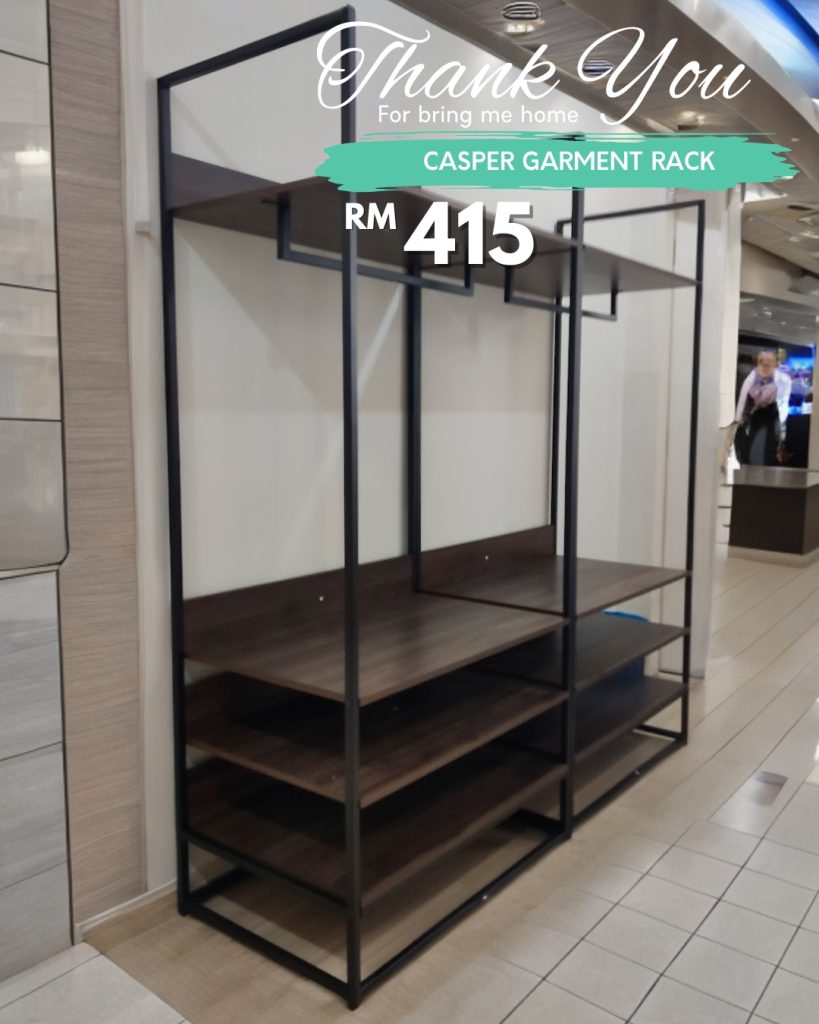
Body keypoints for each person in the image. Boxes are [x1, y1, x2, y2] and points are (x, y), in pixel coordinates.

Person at [734, 350, 790, 465]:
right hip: (760, 414)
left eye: (769, 362)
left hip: (770, 413)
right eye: (762, 362)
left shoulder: (780, 378)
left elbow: (783, 400)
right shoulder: (753, 376)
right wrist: (737, 419)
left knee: (766, 446)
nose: (765, 365)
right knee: (757, 446)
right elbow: (743, 397)